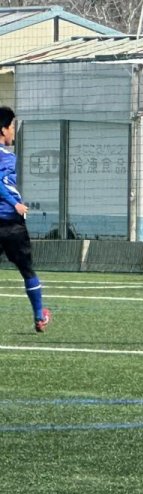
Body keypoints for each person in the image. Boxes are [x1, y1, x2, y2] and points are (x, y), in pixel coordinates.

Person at [0, 107, 51, 333]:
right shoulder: (7, 157)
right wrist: (15, 204)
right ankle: (39, 316)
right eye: (12, 127)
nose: (13, 132)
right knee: (27, 270)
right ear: (3, 130)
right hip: (11, 223)